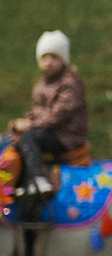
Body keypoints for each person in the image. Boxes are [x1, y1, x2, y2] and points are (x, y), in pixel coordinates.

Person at [5, 31, 89, 219]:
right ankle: (16, 186)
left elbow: (58, 114)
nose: (48, 62)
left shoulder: (70, 83)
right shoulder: (42, 85)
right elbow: (37, 112)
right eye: (44, 57)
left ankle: (39, 180)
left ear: (64, 60)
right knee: (10, 141)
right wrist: (19, 125)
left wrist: (29, 125)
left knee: (28, 137)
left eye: (54, 57)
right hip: (47, 131)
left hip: (66, 135)